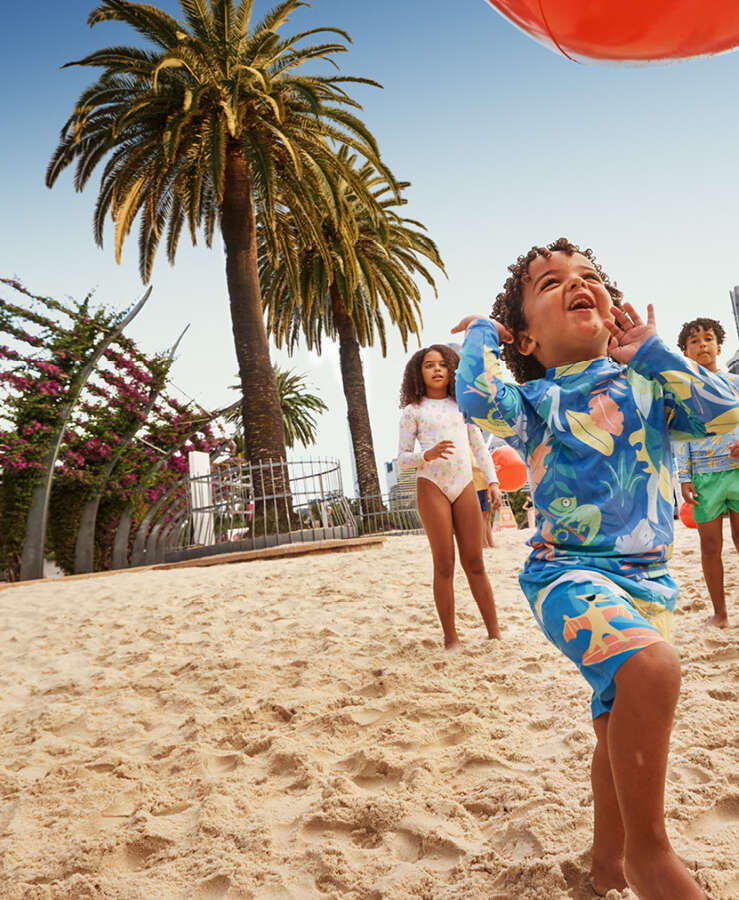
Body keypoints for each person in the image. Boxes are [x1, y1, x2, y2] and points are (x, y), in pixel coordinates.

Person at [452, 238, 738, 900]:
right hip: (566, 576)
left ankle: (605, 863)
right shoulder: (535, 403)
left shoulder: (648, 384)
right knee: (653, 670)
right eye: (549, 283)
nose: (574, 284)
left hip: (650, 586)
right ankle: (647, 855)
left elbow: (723, 409)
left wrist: (653, 351)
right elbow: (475, 397)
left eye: (586, 277)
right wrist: (478, 339)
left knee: (617, 724)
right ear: (526, 340)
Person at [398, 344, 502, 648]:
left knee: (476, 562)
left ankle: (494, 633)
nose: (437, 369)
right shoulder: (413, 411)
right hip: (432, 485)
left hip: (464, 484)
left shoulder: (462, 406)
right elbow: (402, 458)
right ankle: (451, 638)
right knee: (444, 563)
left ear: (452, 370)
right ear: (419, 372)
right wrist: (424, 455)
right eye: (429, 365)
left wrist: (493, 481)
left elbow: (479, 446)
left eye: (443, 364)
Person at [674, 318, 739, 628]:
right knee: (710, 547)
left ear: (718, 345)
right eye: (694, 341)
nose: (702, 345)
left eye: (708, 339)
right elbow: (679, 438)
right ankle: (720, 614)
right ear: (685, 352)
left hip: (737, 471)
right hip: (703, 477)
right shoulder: (684, 391)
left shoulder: (735, 383)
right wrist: (684, 477)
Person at [472, 451, 498, 548]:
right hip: (477, 487)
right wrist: (488, 469)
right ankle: (483, 543)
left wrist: (491, 470)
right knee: (482, 516)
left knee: (487, 516)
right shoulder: (468, 450)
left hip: (486, 486)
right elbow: (471, 467)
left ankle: (490, 542)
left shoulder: (481, 451)